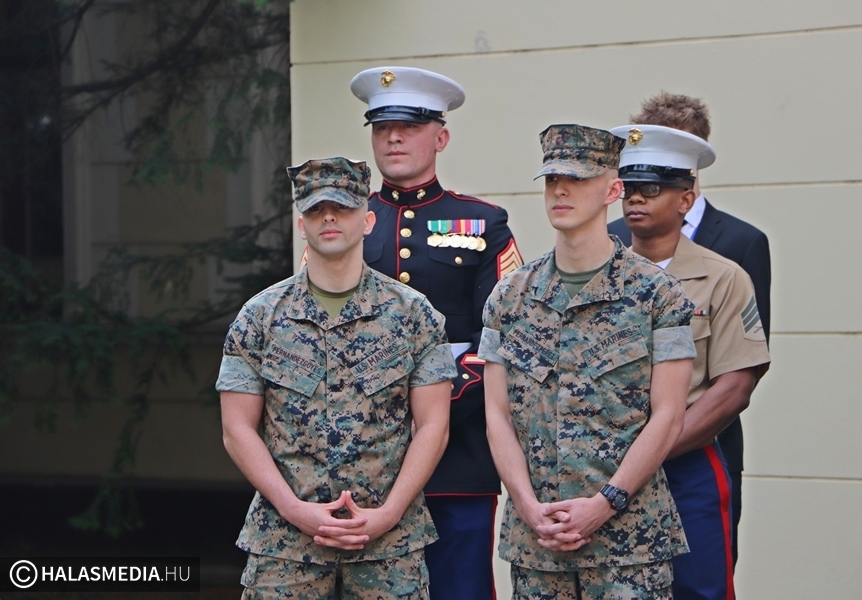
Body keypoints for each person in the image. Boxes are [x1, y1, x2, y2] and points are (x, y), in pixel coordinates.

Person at [216, 156, 456, 599]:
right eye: (315, 209)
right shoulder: (260, 318)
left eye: (342, 207)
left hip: (388, 548)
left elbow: (434, 426)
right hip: (286, 548)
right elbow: (237, 429)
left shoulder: (413, 315)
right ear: (300, 225)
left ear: (367, 221)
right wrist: (293, 509)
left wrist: (388, 514)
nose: (328, 217)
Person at [481, 123, 697, 598]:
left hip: (628, 544)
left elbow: (668, 414)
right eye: (552, 179)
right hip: (539, 541)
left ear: (613, 190)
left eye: (577, 178)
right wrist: (526, 504)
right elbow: (497, 414)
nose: (560, 190)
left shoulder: (657, 295)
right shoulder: (510, 297)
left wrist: (606, 503)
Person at [350, 66, 523, 599]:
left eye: (409, 126)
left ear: (440, 138)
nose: (394, 138)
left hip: (459, 452)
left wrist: (434, 408)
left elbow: (504, 339)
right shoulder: (345, 221)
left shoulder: (483, 222)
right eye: (383, 128)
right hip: (363, 452)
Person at [608, 92, 772, 567]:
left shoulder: (737, 248)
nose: (638, 197)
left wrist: (651, 452)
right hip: (604, 463)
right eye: (630, 184)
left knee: (700, 581)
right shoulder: (605, 247)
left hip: (697, 450)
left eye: (653, 185)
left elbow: (739, 373)